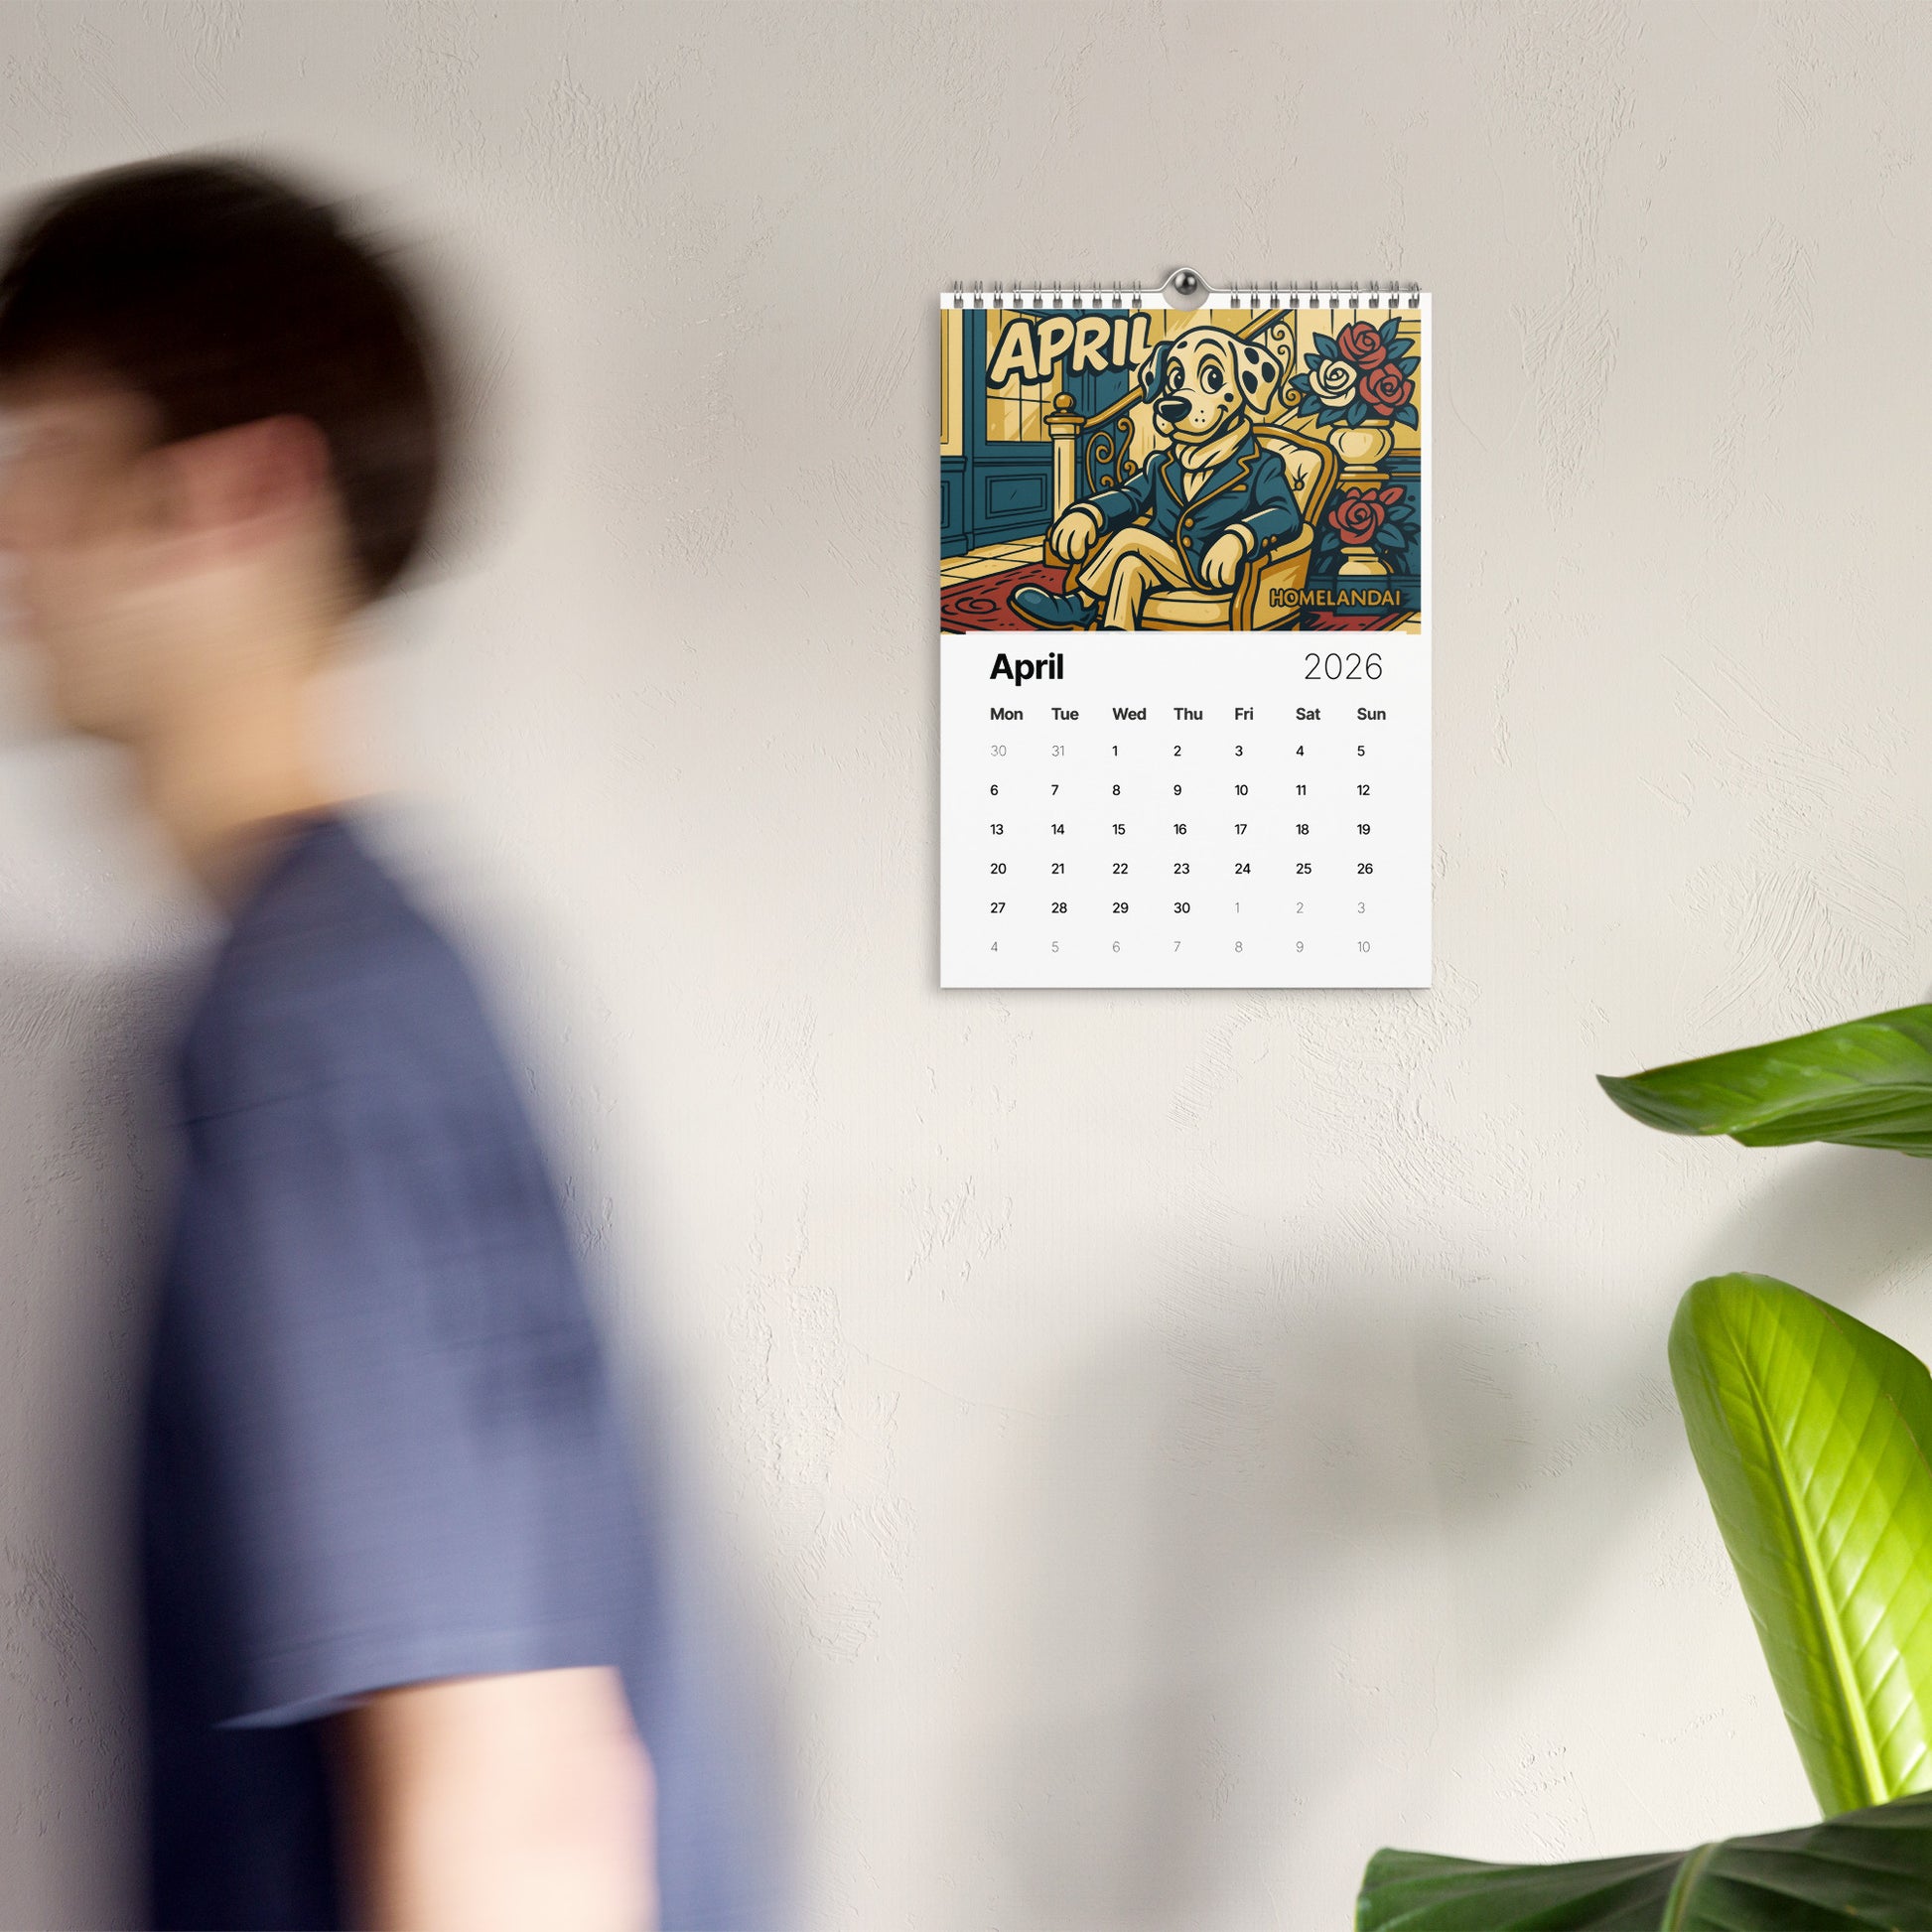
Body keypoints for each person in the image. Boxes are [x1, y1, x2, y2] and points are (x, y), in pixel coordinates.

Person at [0, 151, 776, 1930]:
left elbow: (517, 1805)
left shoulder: (307, 1036)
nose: (10, 537)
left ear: (233, 492)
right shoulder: (367, 979)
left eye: (45, 456)